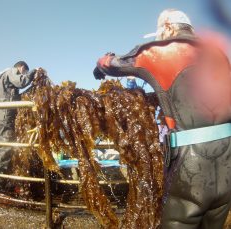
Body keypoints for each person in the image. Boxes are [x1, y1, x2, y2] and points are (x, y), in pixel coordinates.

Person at [93, 9, 231, 229]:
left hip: (190, 167)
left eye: (159, 33)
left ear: (168, 27)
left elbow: (116, 63)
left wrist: (101, 64)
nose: (159, 38)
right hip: (227, 166)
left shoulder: (161, 51)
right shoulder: (220, 55)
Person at [0, 61, 37, 192]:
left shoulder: (9, 86)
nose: (25, 74)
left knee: (7, 151)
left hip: (3, 118)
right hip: (3, 118)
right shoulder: (11, 71)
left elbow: (18, 97)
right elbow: (21, 82)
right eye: (25, 72)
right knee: (4, 151)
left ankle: (2, 184)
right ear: (21, 68)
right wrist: (33, 72)